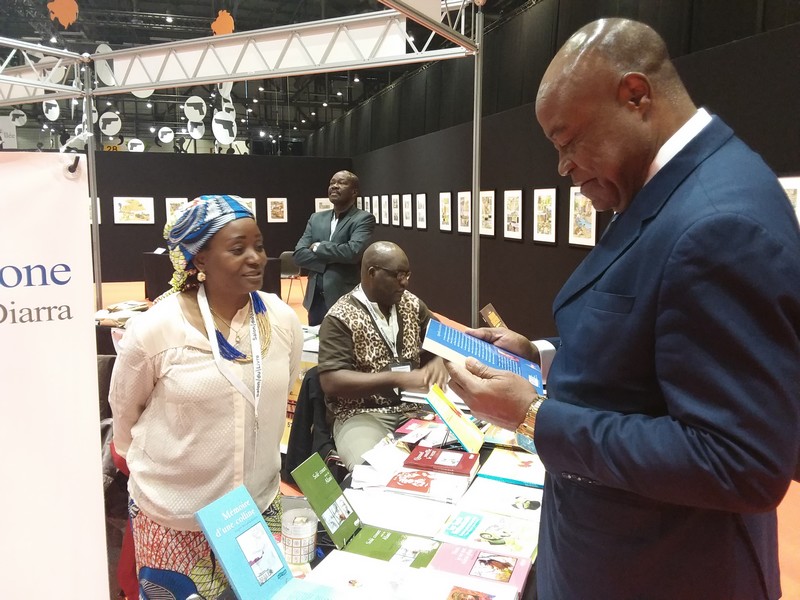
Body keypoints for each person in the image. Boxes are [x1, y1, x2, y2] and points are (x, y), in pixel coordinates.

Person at [447, 18, 800, 600]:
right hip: (617, 554)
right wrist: (540, 356)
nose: (562, 168)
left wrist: (534, 415)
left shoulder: (719, 221)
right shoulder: (674, 192)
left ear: (635, 96)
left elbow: (740, 460)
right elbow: (654, 351)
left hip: (664, 571)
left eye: (568, 142)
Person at [109, 195, 303, 598]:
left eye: (260, 246)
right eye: (238, 249)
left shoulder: (281, 319)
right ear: (198, 261)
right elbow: (124, 415)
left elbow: (277, 395)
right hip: (176, 518)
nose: (256, 258)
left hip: (258, 509)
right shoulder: (156, 330)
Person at [317, 241, 449, 470]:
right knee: (373, 471)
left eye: (407, 275)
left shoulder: (412, 305)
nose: (405, 283)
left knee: (449, 458)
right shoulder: (340, 316)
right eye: (397, 276)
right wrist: (398, 379)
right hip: (361, 414)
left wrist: (440, 359)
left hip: (414, 409)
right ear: (372, 273)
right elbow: (331, 381)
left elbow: (445, 341)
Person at [294, 170, 376, 325]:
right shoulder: (316, 218)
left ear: (354, 192)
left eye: (342, 183)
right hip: (315, 298)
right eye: (332, 183)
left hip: (344, 296)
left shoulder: (363, 219)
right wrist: (334, 257)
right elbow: (299, 255)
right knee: (317, 345)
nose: (335, 186)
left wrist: (318, 247)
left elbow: (353, 252)